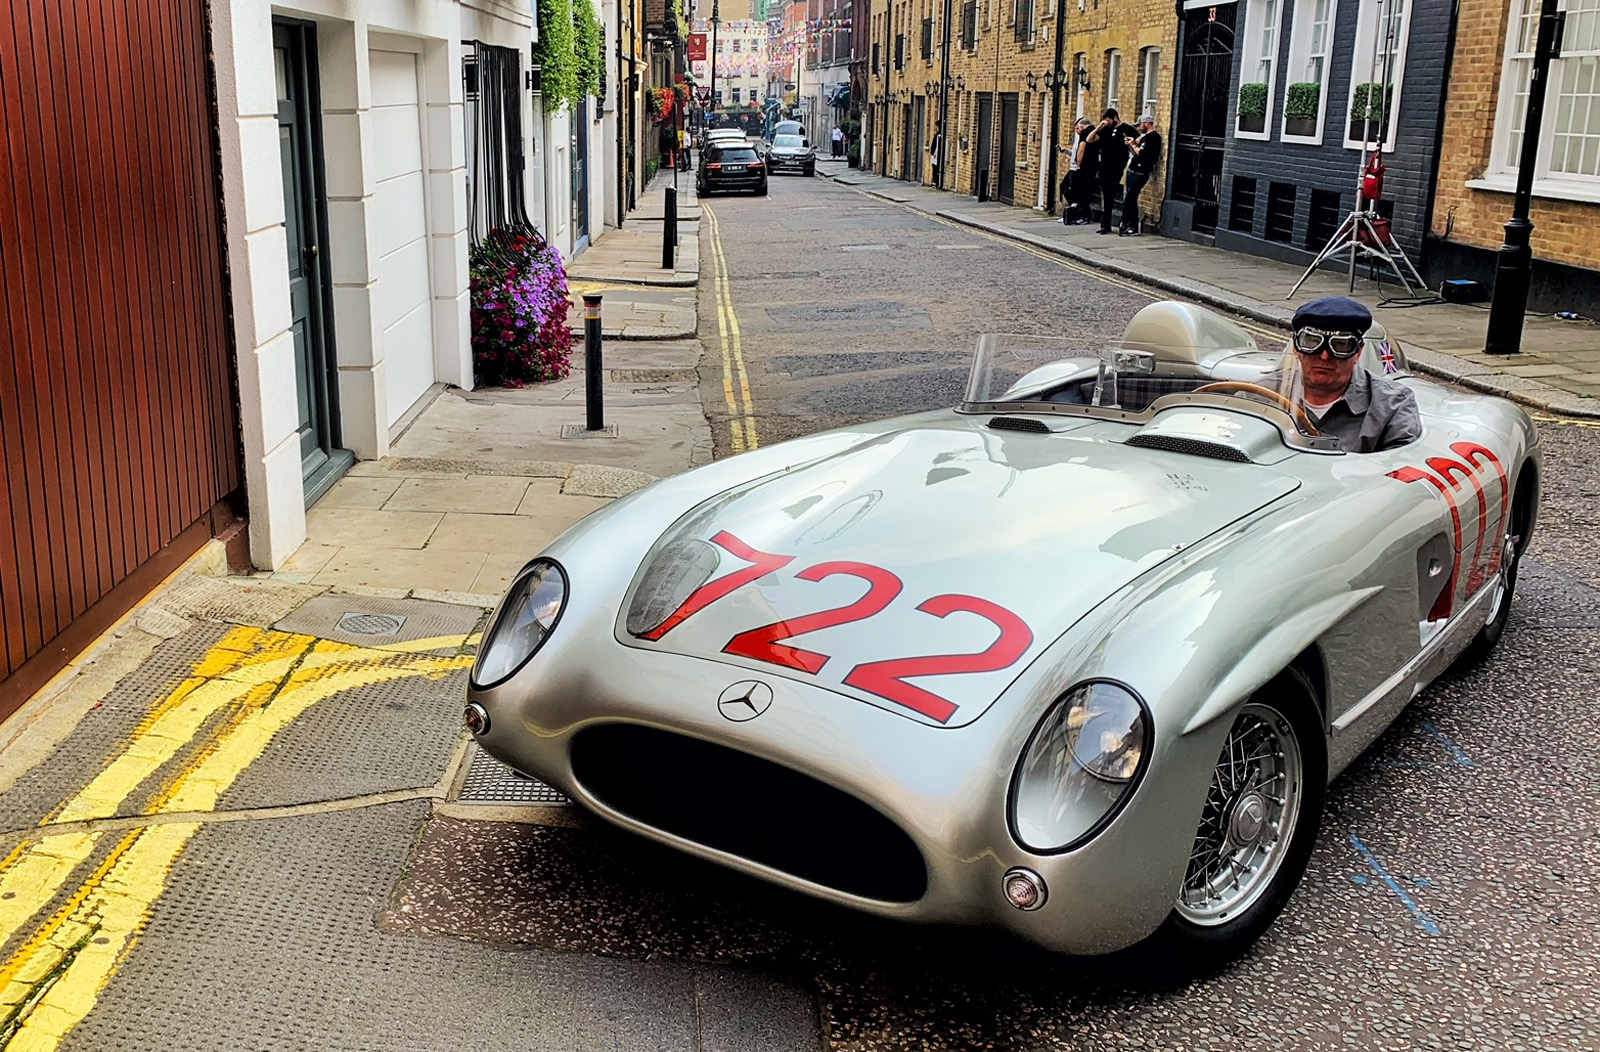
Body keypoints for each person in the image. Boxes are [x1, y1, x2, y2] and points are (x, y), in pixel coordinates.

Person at [1286, 296, 1421, 452]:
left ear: (1358, 352)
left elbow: (1399, 463)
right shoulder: (1265, 394)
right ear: (1295, 347)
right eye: (1311, 342)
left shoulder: (1392, 405)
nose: (1324, 356)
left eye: (1340, 345)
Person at [1085, 108, 1137, 234]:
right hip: (1104, 167)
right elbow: (1089, 139)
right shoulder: (1105, 130)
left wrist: (1131, 145)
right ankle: (1105, 225)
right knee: (1106, 196)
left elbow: (1138, 141)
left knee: (1112, 194)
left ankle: (1118, 223)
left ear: (1115, 118)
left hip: (1118, 167)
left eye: (1108, 120)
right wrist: (1099, 127)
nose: (1107, 123)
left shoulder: (1127, 129)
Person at [1119, 113, 1161, 236]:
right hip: (1133, 170)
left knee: (1129, 199)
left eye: (1140, 124)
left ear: (1147, 123)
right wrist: (1131, 145)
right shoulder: (1144, 138)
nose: (1139, 128)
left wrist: (1133, 144)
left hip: (1141, 172)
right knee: (1130, 199)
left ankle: (1130, 225)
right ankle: (1130, 225)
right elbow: (1136, 153)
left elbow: (1144, 155)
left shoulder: (1154, 138)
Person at [1061, 117, 1094, 224]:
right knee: (1066, 187)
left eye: (1077, 128)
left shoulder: (1084, 136)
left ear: (1083, 127)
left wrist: (1079, 166)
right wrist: (1067, 151)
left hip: (1077, 168)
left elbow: (1081, 151)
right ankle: (1072, 211)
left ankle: (1077, 213)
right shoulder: (1079, 138)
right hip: (1074, 167)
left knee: (1079, 193)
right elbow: (1076, 152)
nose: (1076, 131)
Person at [929, 122, 943, 186]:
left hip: (935, 154)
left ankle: (935, 181)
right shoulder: (937, 134)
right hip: (934, 153)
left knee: (935, 168)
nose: (936, 127)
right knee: (934, 167)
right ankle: (934, 181)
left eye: (936, 126)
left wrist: (935, 152)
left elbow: (937, 144)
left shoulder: (939, 135)